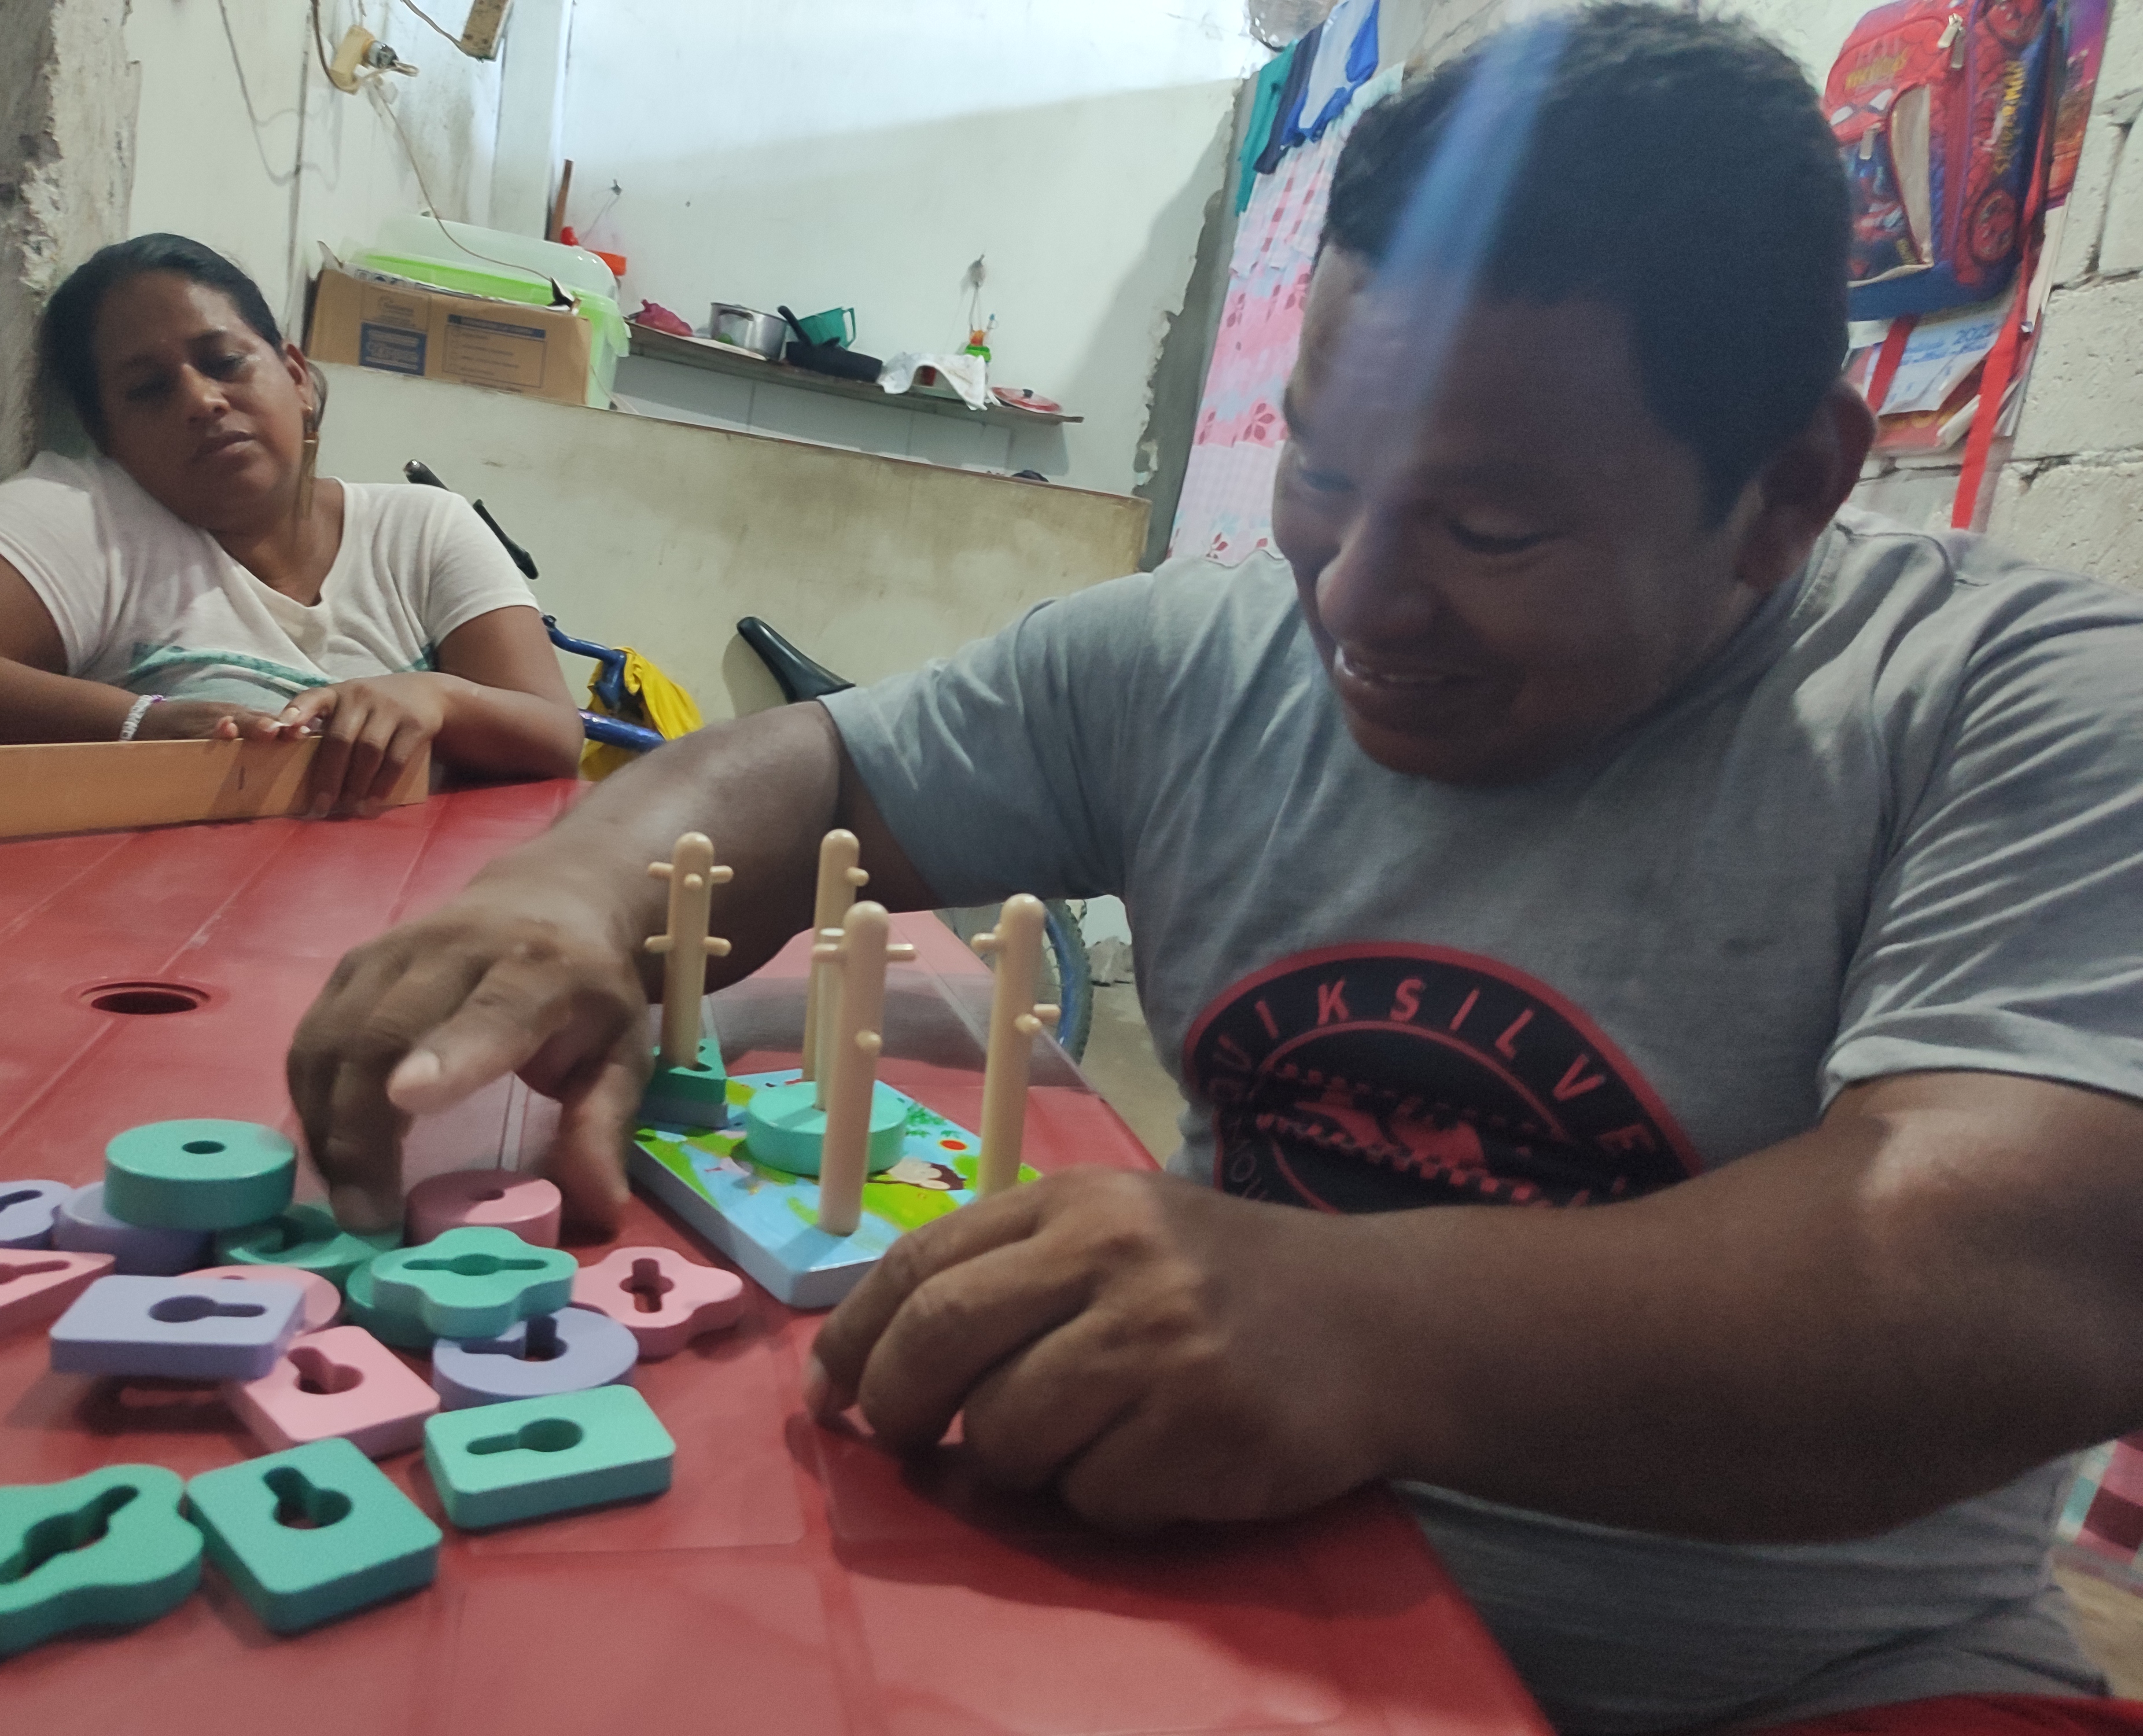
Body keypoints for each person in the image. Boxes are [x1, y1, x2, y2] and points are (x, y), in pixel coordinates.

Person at [284, 9, 2143, 1731]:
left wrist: (1368, 1324)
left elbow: (2021, 1274)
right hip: (1221, 1589)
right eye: (1321, 473)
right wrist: (577, 895)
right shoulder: (1201, 656)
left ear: (1792, 488)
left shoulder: (2014, 708)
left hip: (1806, 1688)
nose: (1358, 600)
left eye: (1492, 526)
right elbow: (817, 763)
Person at [0, 234, 583, 812]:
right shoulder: (94, 521)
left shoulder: (424, 531)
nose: (201, 401)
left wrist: (436, 699)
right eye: (148, 390)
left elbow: (555, 736)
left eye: (224, 362)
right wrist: (139, 724)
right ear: (108, 438)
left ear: (297, 378)